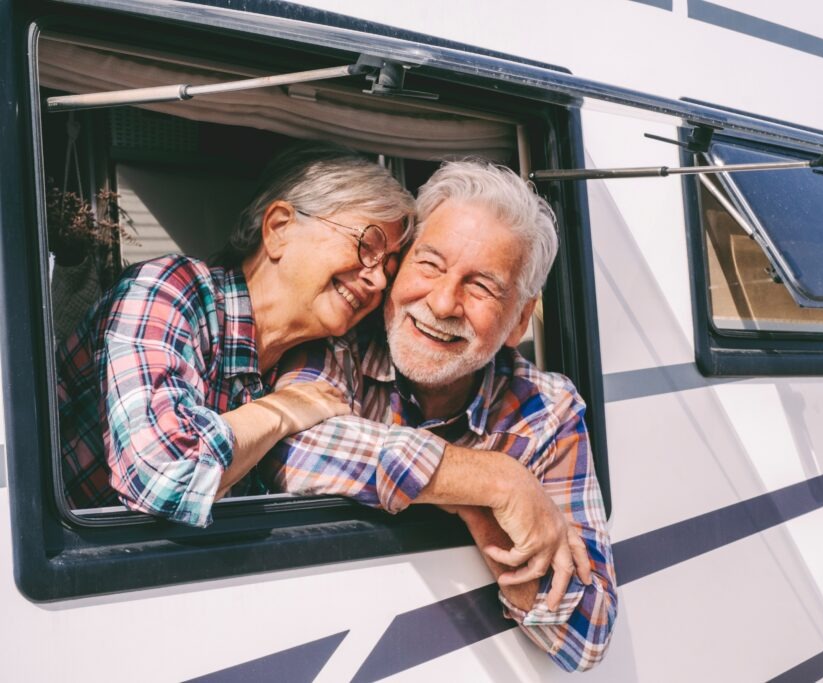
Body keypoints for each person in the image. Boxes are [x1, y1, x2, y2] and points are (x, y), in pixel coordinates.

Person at [263, 161, 617, 671]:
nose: (444, 301)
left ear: (519, 319)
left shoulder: (547, 411)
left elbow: (589, 635)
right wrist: (489, 482)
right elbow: (286, 448)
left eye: (482, 287)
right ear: (397, 266)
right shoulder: (335, 343)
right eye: (429, 265)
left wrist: (483, 520)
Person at [57, 144, 414, 528]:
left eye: (389, 271)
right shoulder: (168, 290)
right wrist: (282, 410)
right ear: (279, 229)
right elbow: (166, 476)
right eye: (366, 246)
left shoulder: (323, 357)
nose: (377, 280)